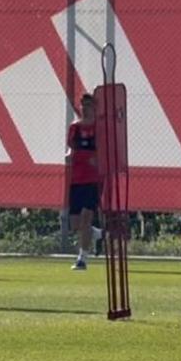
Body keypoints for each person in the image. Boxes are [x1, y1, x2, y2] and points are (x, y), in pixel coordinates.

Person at [67, 93, 105, 270]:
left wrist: (97, 159)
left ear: (95, 108)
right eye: (83, 105)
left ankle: (82, 259)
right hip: (77, 178)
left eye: (89, 105)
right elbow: (71, 148)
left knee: (86, 219)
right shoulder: (74, 127)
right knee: (75, 224)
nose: (85, 108)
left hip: (93, 179)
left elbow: (104, 150)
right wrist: (70, 156)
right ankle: (97, 234)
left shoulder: (100, 128)